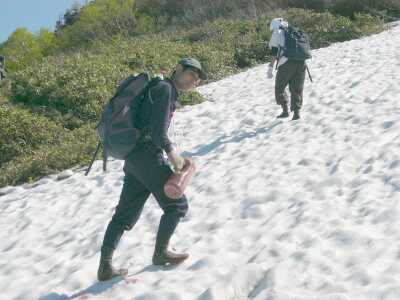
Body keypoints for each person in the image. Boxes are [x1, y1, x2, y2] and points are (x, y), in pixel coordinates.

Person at [97, 58, 207, 281]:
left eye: (196, 80)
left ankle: (105, 267)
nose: (192, 81)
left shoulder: (158, 87)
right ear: (178, 69)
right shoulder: (165, 89)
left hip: (134, 159)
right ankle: (160, 253)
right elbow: (157, 133)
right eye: (190, 75)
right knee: (177, 205)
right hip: (147, 156)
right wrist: (171, 152)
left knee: (123, 216)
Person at [267, 18, 307, 121]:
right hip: (301, 62)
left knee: (279, 88)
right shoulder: (294, 31)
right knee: (297, 88)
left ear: (274, 26)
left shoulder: (277, 32)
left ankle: (285, 111)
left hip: (286, 63)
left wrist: (271, 67)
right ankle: (296, 113)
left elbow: (274, 52)